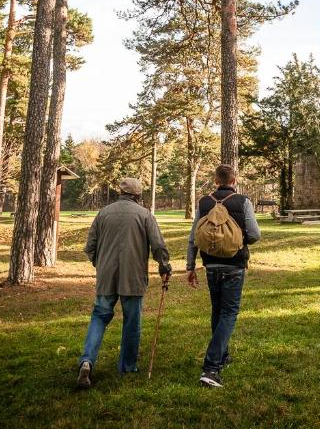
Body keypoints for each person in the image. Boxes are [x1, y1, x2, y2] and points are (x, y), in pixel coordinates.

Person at [77, 177, 171, 389]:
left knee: (99, 317)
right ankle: (127, 366)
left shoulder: (103, 213)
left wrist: (99, 264)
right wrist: (164, 266)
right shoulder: (145, 215)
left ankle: (86, 361)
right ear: (138, 195)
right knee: (132, 322)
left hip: (106, 275)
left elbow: (89, 246)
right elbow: (158, 246)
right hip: (133, 276)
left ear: (120, 192)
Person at [186, 164, 261, 389]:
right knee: (229, 313)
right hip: (234, 265)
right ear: (234, 180)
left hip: (211, 265)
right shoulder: (243, 202)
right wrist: (239, 240)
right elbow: (255, 234)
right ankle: (211, 368)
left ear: (215, 180)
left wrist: (190, 266)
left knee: (217, 310)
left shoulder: (204, 202)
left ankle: (223, 355)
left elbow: (194, 237)